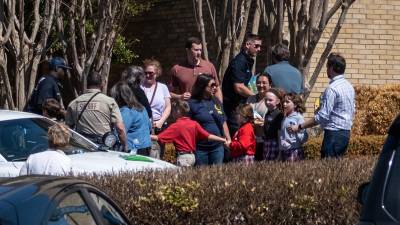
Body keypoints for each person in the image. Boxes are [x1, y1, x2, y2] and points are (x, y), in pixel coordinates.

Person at [289, 53, 355, 158]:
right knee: (337, 170)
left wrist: (300, 126)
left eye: (327, 67)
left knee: (328, 170)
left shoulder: (332, 89)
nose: (326, 70)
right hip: (345, 134)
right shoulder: (349, 86)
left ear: (332, 67)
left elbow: (322, 117)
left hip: (333, 135)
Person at [151, 100, 227, 167]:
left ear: (178, 111)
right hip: (193, 157)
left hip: (183, 158)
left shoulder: (175, 126)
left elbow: (158, 138)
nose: (172, 114)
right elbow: (208, 136)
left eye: (173, 111)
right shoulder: (194, 123)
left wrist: (144, 135)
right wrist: (222, 140)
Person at [65, 71, 127, 150]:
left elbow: (67, 129)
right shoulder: (109, 102)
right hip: (104, 145)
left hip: (82, 145)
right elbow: (120, 128)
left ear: (87, 84)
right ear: (102, 84)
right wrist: (125, 146)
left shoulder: (74, 103)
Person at [222, 33, 262, 136]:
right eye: (256, 46)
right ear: (248, 44)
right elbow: (239, 87)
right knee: (237, 133)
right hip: (233, 106)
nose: (259, 49)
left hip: (241, 104)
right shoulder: (239, 61)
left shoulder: (248, 61)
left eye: (260, 46)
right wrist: (256, 97)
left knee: (253, 127)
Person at [189, 74, 231, 166]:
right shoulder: (192, 103)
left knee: (217, 175)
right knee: (202, 176)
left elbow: (223, 121)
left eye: (216, 85)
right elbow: (188, 126)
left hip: (218, 147)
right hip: (200, 149)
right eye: (212, 85)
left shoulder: (216, 101)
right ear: (202, 86)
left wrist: (228, 139)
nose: (215, 88)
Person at [169, 37, 222, 102]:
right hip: (188, 109)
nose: (199, 52)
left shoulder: (209, 66)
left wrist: (220, 107)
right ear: (187, 50)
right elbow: (169, 93)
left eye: (200, 50)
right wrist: (180, 97)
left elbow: (217, 88)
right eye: (196, 50)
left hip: (207, 109)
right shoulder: (177, 69)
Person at [111, 81, 152, 156]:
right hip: (146, 147)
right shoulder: (142, 108)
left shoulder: (126, 111)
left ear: (118, 97)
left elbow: (120, 131)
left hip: (133, 150)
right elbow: (149, 127)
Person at [140, 59, 171, 133]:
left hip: (159, 125)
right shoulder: (139, 87)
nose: (148, 75)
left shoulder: (163, 87)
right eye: (146, 73)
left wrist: (161, 121)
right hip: (143, 125)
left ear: (157, 73)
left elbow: (168, 107)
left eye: (151, 73)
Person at [246, 73, 271, 161]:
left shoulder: (271, 101)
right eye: (258, 82)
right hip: (250, 140)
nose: (261, 85)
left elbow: (269, 122)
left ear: (270, 85)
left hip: (265, 141)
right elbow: (245, 116)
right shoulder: (250, 99)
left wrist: (253, 118)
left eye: (264, 83)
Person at [280, 93, 308, 162]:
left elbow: (305, 136)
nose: (284, 104)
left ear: (295, 105)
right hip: (284, 150)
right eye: (283, 102)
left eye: (287, 102)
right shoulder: (285, 117)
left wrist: (295, 141)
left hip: (294, 150)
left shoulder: (298, 117)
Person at [263, 88, 284, 161]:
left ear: (277, 101)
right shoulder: (267, 113)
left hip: (275, 143)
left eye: (270, 100)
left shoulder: (279, 114)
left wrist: (280, 150)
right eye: (266, 100)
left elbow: (280, 132)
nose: (267, 102)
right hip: (267, 142)